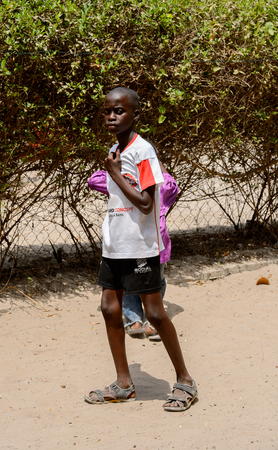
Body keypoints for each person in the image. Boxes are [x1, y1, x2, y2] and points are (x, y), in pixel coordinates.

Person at [84, 87, 197, 411]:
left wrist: (115, 173)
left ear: (135, 114)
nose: (111, 116)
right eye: (107, 111)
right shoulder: (115, 149)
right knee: (109, 309)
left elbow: (147, 204)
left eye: (118, 111)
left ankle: (185, 380)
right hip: (115, 245)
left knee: (155, 314)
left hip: (141, 247)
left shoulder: (142, 151)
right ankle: (123, 383)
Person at [88, 155, 179, 340]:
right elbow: (172, 186)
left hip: (133, 241)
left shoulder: (121, 185)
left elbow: (94, 180)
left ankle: (134, 320)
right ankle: (151, 320)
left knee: (130, 281)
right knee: (155, 281)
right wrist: (159, 166)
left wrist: (117, 171)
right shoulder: (158, 183)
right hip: (152, 242)